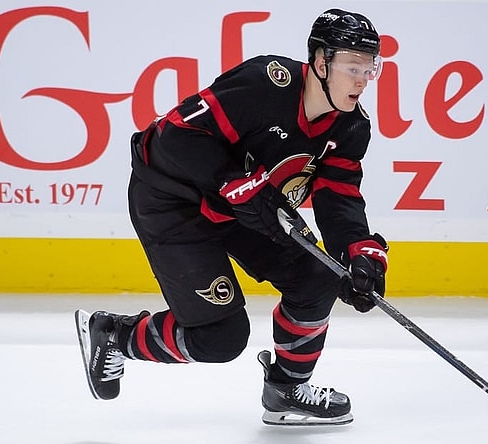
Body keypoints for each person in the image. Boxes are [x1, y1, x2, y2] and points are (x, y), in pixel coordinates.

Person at [74, 8, 389, 426]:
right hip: (173, 202)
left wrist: (358, 253)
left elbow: (339, 196)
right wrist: (236, 182)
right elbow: (175, 135)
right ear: (320, 61)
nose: (363, 80)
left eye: (371, 69)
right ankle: (115, 335)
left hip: (243, 209)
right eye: (353, 67)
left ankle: (286, 388)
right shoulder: (265, 83)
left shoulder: (351, 127)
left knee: (320, 274)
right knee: (219, 340)